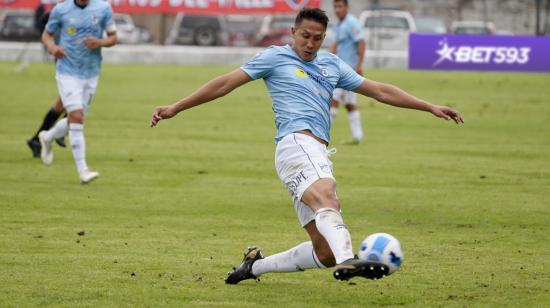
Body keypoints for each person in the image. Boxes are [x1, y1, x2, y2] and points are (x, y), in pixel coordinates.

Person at [151, 8, 463, 284]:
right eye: (305, 36)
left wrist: (429, 106)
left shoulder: (332, 64)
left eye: (317, 38)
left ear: (324, 38)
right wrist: (177, 106)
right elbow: (223, 84)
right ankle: (348, 261)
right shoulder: (274, 57)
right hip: (295, 144)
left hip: (315, 152)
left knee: (323, 251)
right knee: (327, 196)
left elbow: (380, 90)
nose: (310, 44)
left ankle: (255, 266)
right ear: (293, 33)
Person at [38, 0, 117, 184]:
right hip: (67, 71)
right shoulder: (61, 10)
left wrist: (100, 42)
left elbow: (113, 37)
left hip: (91, 72)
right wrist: (52, 48)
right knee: (77, 116)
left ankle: (47, 137)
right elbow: (47, 35)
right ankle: (83, 171)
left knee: (77, 118)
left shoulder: (103, 8)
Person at [329, 0, 366, 143]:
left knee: (332, 99)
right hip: (339, 68)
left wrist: (360, 65)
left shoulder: (352, 23)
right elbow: (335, 45)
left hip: (348, 70)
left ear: (347, 7)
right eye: (335, 7)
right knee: (349, 104)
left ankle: (321, 135)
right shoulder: (339, 25)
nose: (337, 10)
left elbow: (361, 42)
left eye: (340, 6)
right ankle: (358, 136)